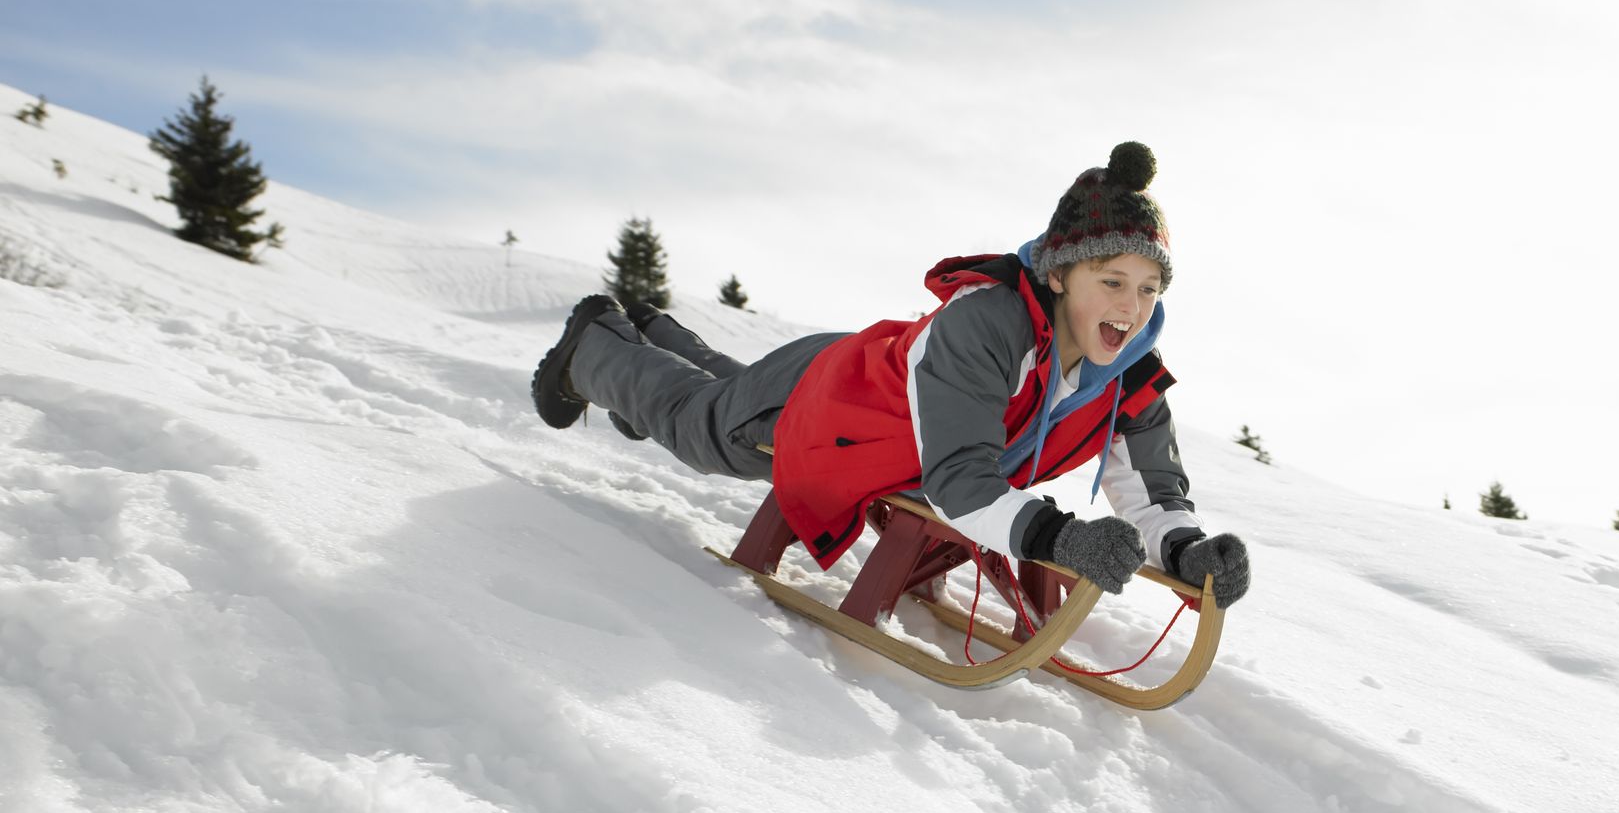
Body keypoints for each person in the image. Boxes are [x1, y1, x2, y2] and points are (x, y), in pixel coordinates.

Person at [530, 142, 1251, 609]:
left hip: (886, 414)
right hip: (831, 402)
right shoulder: (988, 324)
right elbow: (962, 482)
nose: (1131, 307)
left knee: (719, 400)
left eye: (1150, 288)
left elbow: (1152, 487)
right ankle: (594, 347)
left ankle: (656, 335)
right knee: (702, 429)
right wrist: (1059, 540)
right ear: (1060, 274)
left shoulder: (1131, 373)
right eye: (1112, 279)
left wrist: (1187, 550)